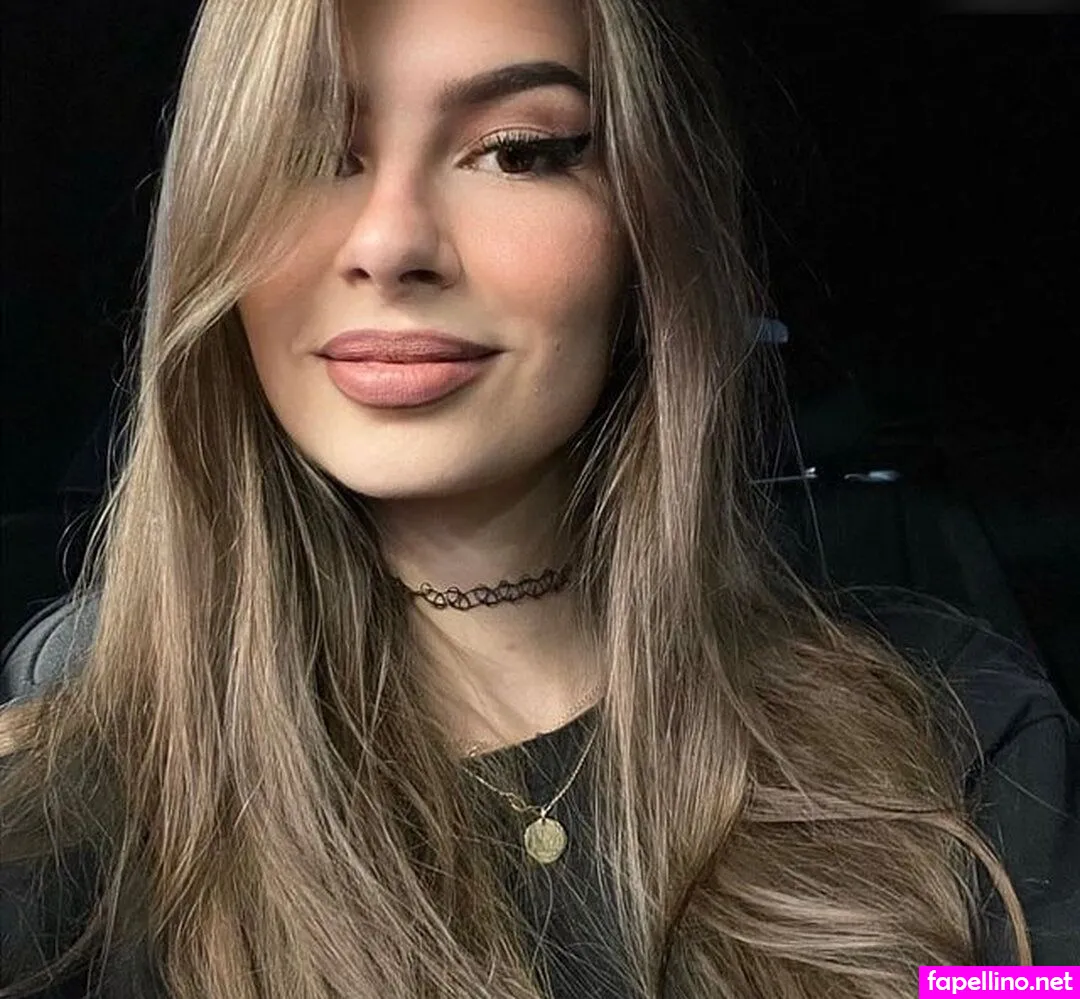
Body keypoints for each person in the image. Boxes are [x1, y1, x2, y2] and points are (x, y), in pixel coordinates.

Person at [1, 0, 1077, 996]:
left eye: (517, 152)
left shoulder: (966, 745)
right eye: (304, 153)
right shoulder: (50, 834)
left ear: (650, 228)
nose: (389, 245)